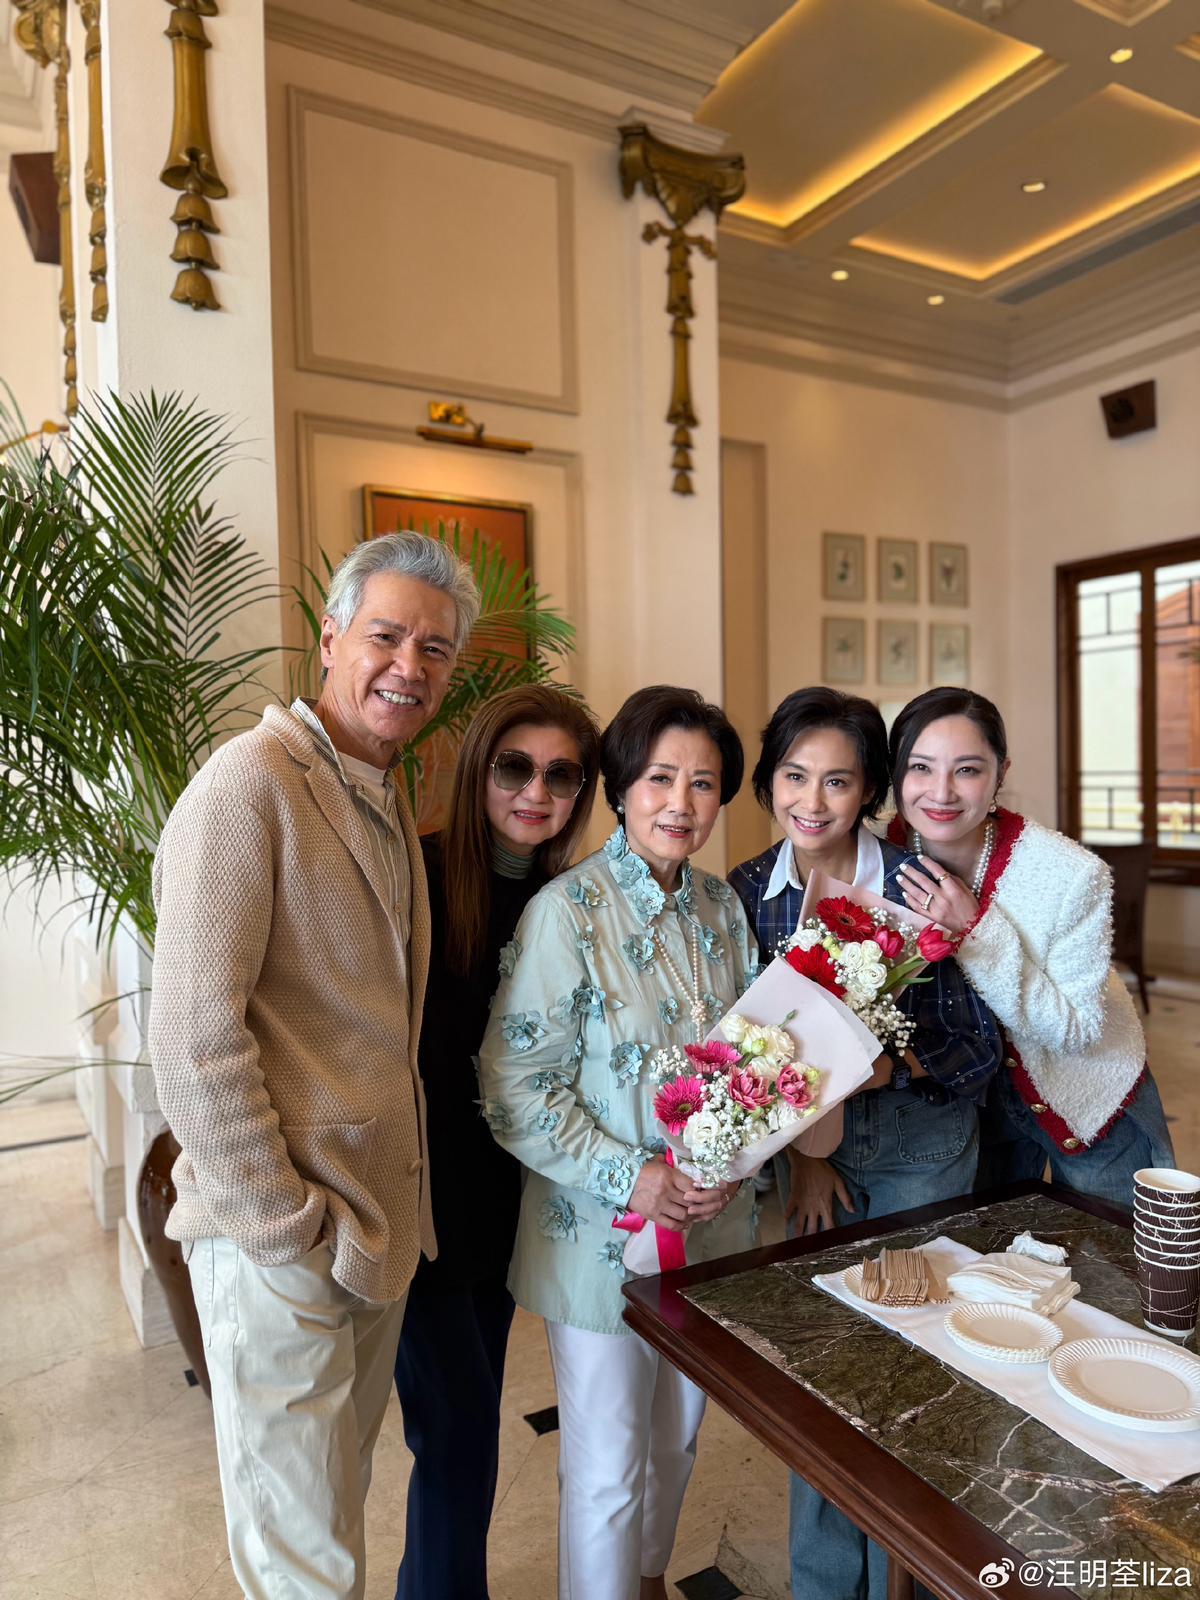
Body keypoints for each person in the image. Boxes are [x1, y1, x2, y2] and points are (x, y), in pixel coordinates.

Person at [149, 532, 479, 1600]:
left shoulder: (383, 791)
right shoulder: (247, 784)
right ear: (331, 638)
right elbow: (192, 1036)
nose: (408, 666)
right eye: (386, 635)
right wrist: (283, 1225)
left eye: (435, 649)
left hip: (370, 1229)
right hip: (283, 1236)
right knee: (302, 1556)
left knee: (332, 1510)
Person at [478, 685, 757, 1600]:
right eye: (660, 778)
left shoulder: (722, 910)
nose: (681, 803)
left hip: (709, 1233)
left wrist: (737, 1162)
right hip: (597, 1237)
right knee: (607, 1463)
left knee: (677, 1437)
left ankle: (646, 1581)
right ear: (622, 786)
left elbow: (753, 1064)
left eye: (703, 784)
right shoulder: (568, 911)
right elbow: (514, 1086)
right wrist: (631, 1177)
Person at [728, 687, 1002, 1600]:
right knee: (821, 1381)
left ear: (871, 790)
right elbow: (747, 1059)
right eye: (794, 776)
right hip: (817, 1170)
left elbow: (980, 1049)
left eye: (838, 781)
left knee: (911, 1380)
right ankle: (824, 1586)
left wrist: (889, 1064)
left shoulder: (919, 884)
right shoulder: (744, 894)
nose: (812, 801)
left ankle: (911, 1581)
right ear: (768, 782)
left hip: (923, 1153)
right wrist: (807, 1161)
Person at [394, 684, 601, 1600]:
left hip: (507, 1206)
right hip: (420, 1205)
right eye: (515, 767)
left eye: (562, 775)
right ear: (479, 768)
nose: (536, 792)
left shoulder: (570, 901)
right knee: (458, 1433)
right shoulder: (418, 875)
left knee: (463, 1432)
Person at [886, 686, 1174, 1209]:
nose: (941, 792)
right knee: (988, 1255)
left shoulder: (1070, 875)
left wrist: (976, 930)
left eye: (967, 770)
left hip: (1086, 1097)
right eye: (920, 767)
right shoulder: (883, 858)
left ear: (1001, 773)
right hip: (974, 1104)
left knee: (1117, 1251)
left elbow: (1077, 1032)